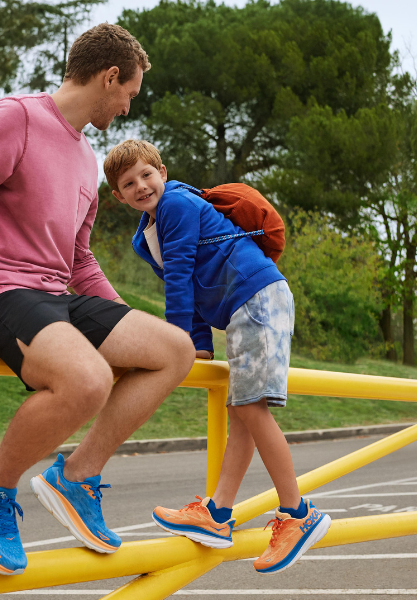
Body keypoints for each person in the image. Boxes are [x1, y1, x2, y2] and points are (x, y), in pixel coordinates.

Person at [0, 26, 195, 576]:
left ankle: (76, 477)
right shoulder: (15, 117)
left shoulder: (87, 158)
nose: (126, 106)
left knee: (173, 348)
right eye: (129, 94)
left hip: (52, 294)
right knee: (88, 378)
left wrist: (124, 322)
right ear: (110, 76)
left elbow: (78, 259)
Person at [103, 139, 331, 575]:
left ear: (163, 173)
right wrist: (199, 341)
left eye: (147, 175)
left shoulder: (176, 205)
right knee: (242, 412)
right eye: (128, 183)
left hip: (256, 296)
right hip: (243, 305)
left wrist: (181, 342)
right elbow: (185, 276)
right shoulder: (145, 234)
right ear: (118, 195)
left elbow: (182, 275)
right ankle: (218, 513)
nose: (141, 186)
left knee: (250, 408)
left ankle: (299, 514)